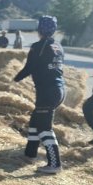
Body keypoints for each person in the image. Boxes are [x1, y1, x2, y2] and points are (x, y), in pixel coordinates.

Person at [13, 16, 65, 174]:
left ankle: (55, 164)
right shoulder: (58, 46)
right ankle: (30, 154)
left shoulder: (38, 46)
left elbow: (29, 67)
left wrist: (14, 79)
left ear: (40, 30)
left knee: (44, 128)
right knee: (35, 121)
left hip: (47, 92)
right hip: (59, 89)